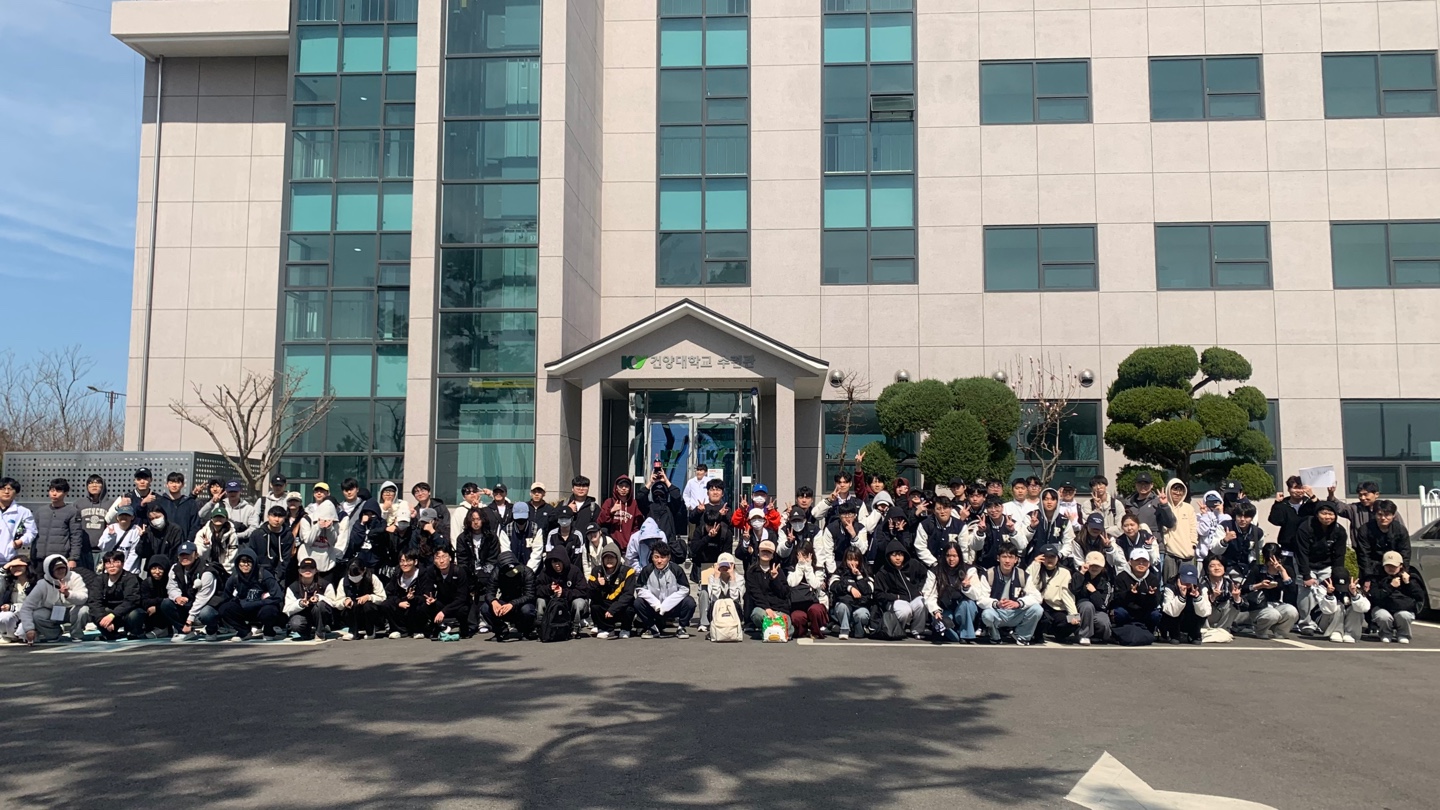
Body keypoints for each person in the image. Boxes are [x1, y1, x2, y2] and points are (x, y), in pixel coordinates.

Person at [1293, 501, 1348, 635]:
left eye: (1331, 514)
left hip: (1326, 565)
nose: (1327, 517)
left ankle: (1323, 622)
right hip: (1306, 563)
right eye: (1324, 513)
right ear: (1317, 514)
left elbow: (1339, 555)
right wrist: (1306, 575)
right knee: (1306, 592)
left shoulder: (1339, 531)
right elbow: (1301, 553)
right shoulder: (1305, 527)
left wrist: (1337, 574)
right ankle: (1306, 624)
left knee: (1327, 592)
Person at [970, 542, 1042, 645]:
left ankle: (1022, 636)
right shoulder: (989, 574)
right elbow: (981, 599)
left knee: (1037, 609)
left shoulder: (1023, 575)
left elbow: (1037, 597)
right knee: (987, 614)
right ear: (998, 558)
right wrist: (996, 603)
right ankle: (994, 635)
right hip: (997, 612)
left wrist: (1019, 603)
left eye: (1011, 557)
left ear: (1016, 559)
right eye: (1004, 557)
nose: (1007, 561)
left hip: (1016, 612)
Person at [216, 548, 283, 640]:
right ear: (238, 563)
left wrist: (257, 603)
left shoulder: (264, 575)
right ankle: (244, 631)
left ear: (254, 562)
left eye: (249, 562)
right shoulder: (235, 577)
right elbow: (226, 596)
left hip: (261, 608)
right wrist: (236, 601)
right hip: (244, 609)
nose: (246, 565)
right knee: (224, 608)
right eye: (243, 561)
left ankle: (269, 631)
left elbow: (278, 597)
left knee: (270, 610)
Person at [18, 555, 89, 644]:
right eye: (57, 569)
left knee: (83, 610)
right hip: (51, 611)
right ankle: (53, 635)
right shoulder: (42, 584)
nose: (61, 571)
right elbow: (26, 607)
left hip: (71, 610)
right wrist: (29, 629)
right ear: (49, 570)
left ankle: (76, 634)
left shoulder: (75, 577)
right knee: (37, 615)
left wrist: (68, 594)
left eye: (62, 568)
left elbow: (83, 598)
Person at [873, 539, 934, 639]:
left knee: (922, 602)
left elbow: (926, 576)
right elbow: (878, 594)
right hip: (896, 602)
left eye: (900, 555)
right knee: (905, 610)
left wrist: (921, 589)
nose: (898, 558)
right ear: (888, 556)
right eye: (894, 555)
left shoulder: (913, 564)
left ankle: (917, 630)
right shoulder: (883, 572)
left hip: (913, 598)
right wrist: (896, 597)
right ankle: (899, 629)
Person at [163, 542, 224, 640]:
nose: (184, 557)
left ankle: (212, 630)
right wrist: (177, 597)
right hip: (189, 601)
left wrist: (189, 620)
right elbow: (171, 587)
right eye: (182, 555)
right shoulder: (175, 568)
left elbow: (202, 598)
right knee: (166, 603)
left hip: (207, 603)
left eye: (188, 554)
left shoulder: (207, 572)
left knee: (206, 613)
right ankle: (183, 631)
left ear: (196, 555)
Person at [634, 542, 695, 638]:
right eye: (656, 557)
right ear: (652, 557)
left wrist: (667, 604)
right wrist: (656, 604)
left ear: (668, 557)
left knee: (690, 602)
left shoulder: (676, 569)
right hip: (654, 608)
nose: (659, 561)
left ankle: (681, 628)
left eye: (662, 557)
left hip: (672, 608)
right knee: (638, 602)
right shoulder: (647, 570)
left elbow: (685, 589)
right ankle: (651, 628)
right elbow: (640, 589)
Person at [1240, 544, 1300, 640]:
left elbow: (1292, 590)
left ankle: (1280, 631)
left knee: (1292, 611)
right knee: (1272, 614)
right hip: (1259, 605)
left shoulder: (1287, 570)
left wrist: (1283, 572)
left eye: (1276, 559)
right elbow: (1244, 589)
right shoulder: (1257, 569)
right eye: (1269, 559)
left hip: (1277, 603)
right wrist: (1260, 585)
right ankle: (1260, 630)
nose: (1273, 562)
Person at [925, 543, 978, 643]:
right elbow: (929, 595)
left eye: (954, 556)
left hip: (961, 611)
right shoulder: (934, 571)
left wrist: (967, 588)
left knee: (968, 604)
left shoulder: (969, 570)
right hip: (944, 610)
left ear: (959, 556)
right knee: (954, 637)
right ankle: (954, 633)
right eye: (948, 555)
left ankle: (967, 635)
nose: (951, 559)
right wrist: (935, 611)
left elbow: (977, 595)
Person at [84, 550, 141, 641]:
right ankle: (109, 634)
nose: (112, 566)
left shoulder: (130, 578)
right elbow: (94, 601)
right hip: (108, 612)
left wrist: (113, 615)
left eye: (115, 562)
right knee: (95, 612)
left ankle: (133, 632)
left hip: (125, 612)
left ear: (122, 563)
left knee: (135, 614)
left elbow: (132, 600)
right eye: (108, 563)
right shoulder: (99, 579)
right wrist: (101, 618)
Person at [1028, 544, 1080, 644]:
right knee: (1041, 616)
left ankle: (1060, 635)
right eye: (1046, 557)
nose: (1049, 559)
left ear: (1057, 558)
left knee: (1072, 622)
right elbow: (1029, 585)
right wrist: (1035, 564)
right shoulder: (1036, 569)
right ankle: (1037, 635)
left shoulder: (1064, 572)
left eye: (1052, 556)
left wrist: (1074, 615)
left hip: (1057, 608)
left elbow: (1067, 595)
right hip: (1040, 606)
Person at [536, 546, 590, 640]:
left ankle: (575, 627)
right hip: (551, 605)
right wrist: (549, 589)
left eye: (559, 562)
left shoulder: (574, 571)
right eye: (554, 562)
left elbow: (584, 590)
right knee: (540, 601)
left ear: (564, 561)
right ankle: (541, 628)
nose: (557, 565)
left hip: (569, 603)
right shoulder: (546, 572)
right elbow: (536, 589)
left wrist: (564, 593)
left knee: (579, 602)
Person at [1371, 550, 1424, 644]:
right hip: (1383, 607)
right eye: (1388, 565)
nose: (1390, 568)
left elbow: (1419, 596)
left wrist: (1408, 583)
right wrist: (1390, 586)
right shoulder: (1377, 578)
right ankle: (1385, 634)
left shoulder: (1411, 577)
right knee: (1383, 616)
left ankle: (1403, 634)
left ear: (1400, 565)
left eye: (1394, 566)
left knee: (1403, 615)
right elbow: (1375, 596)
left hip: (1404, 608)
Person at [482, 552, 537, 641]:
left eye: (513, 568)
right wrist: (493, 601)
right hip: (505, 602)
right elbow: (489, 593)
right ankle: (501, 630)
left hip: (522, 604)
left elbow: (530, 595)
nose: (511, 571)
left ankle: (526, 631)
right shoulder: (496, 572)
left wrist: (512, 604)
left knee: (527, 610)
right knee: (485, 608)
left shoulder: (527, 572)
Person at [329, 555, 387, 639]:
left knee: (368, 606)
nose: (355, 578)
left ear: (364, 570)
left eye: (357, 574)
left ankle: (370, 631)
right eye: (351, 575)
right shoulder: (343, 581)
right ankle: (353, 632)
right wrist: (344, 601)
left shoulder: (372, 578)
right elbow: (337, 603)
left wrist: (369, 597)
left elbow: (383, 598)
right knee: (350, 607)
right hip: (353, 613)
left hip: (370, 612)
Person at [589, 541, 636, 639]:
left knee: (630, 606)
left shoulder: (628, 571)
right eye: (606, 557)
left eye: (612, 557)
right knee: (595, 606)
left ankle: (625, 628)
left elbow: (628, 595)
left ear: (617, 558)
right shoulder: (596, 571)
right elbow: (589, 593)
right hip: (605, 605)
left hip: (619, 606)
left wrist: (613, 609)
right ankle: (606, 629)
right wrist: (598, 585)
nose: (609, 560)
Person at [1355, 500, 1409, 584]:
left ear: (1393, 515)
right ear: (1375, 514)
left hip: (1394, 568)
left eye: (1387, 515)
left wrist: (1403, 571)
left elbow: (1405, 552)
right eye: (1380, 514)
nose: (1383, 518)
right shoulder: (1365, 530)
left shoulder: (1400, 530)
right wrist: (1368, 578)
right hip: (1373, 569)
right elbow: (1364, 555)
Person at [33, 478, 83, 567]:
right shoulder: (41, 511)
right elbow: (34, 535)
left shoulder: (72, 512)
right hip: (39, 559)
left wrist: (73, 558)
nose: (54, 493)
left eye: (58, 491)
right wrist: (32, 555)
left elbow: (76, 536)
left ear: (66, 493)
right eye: (52, 490)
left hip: (60, 559)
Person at [1111, 547, 1163, 632]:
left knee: (1156, 615)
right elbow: (1117, 599)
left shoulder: (1153, 579)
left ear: (1148, 564)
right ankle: (1121, 631)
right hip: (1127, 610)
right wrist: (1130, 594)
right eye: (1138, 560)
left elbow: (1156, 603)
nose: (1141, 563)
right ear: (1130, 562)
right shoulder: (1121, 577)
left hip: (1145, 611)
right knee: (1119, 612)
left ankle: (1149, 632)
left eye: (1144, 561)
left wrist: (1151, 596)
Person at [828, 547, 874, 640]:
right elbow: (833, 586)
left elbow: (868, 590)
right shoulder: (840, 571)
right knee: (842, 607)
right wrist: (849, 588)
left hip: (860, 606)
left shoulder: (866, 572)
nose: (853, 563)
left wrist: (859, 576)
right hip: (845, 605)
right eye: (850, 559)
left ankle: (859, 630)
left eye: (856, 560)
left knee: (862, 614)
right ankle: (844, 629)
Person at [383, 551, 432, 639]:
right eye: (402, 561)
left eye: (408, 560)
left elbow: (426, 596)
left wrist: (413, 598)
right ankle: (399, 630)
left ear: (415, 562)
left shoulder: (423, 575)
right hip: (402, 605)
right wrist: (398, 602)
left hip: (415, 606)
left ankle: (419, 629)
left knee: (423, 606)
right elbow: (389, 593)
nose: (405, 564)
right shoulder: (397, 575)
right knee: (386, 604)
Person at [745, 539, 791, 633]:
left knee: (788, 627)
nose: (766, 553)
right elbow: (755, 593)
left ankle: (770, 630)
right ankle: (773, 630)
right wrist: (767, 608)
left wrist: (775, 579)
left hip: (779, 610)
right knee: (757, 615)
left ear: (772, 555)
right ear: (758, 552)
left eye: (769, 552)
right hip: (763, 610)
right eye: (763, 551)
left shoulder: (778, 570)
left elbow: (784, 593)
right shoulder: (751, 572)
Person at [285, 557, 336, 640]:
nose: (307, 570)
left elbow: (333, 603)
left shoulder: (326, 584)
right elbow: (287, 609)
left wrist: (319, 597)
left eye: (311, 568)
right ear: (299, 571)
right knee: (295, 623)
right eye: (304, 568)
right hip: (303, 615)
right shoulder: (292, 587)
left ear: (316, 570)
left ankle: (320, 632)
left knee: (320, 605)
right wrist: (300, 604)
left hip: (320, 614)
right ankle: (307, 632)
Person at [426, 545, 471, 640]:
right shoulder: (431, 571)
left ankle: (464, 628)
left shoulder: (459, 571)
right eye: (438, 558)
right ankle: (435, 628)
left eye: (444, 557)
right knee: (427, 605)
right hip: (442, 600)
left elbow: (462, 598)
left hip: (459, 602)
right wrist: (429, 599)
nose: (441, 561)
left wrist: (444, 611)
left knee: (463, 610)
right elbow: (428, 589)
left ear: (450, 558)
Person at [1160, 562, 1210, 645]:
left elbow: (1205, 612)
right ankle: (1174, 635)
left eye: (1191, 580)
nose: (1188, 583)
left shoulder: (1202, 589)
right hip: (1175, 618)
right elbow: (1170, 611)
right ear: (1179, 577)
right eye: (1185, 579)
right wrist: (1181, 596)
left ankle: (1194, 635)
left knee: (1198, 611)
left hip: (1192, 618)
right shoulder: (1170, 587)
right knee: (1169, 615)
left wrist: (1197, 597)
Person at [785, 545, 829, 640]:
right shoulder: (793, 568)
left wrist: (808, 568)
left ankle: (816, 631)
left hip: (814, 601)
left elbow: (815, 584)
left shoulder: (818, 569)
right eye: (799, 556)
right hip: (798, 603)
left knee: (815, 611)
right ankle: (803, 632)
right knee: (797, 617)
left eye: (804, 556)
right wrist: (800, 567)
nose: (802, 559)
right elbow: (792, 583)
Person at [1021, 488, 1074, 566]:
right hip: (1033, 560)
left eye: (1052, 499)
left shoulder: (1064, 521)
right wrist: (1032, 527)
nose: (1049, 502)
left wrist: (1059, 555)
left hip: (1055, 562)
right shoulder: (1031, 516)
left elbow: (1069, 542)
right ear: (1041, 501)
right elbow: (1023, 539)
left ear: (1057, 501)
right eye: (1046, 499)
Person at [816, 500, 869, 577]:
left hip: (857, 564)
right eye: (844, 514)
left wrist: (854, 535)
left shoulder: (861, 528)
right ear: (840, 516)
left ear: (855, 516)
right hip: (838, 564)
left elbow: (862, 550)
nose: (847, 517)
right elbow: (828, 553)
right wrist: (833, 572)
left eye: (850, 514)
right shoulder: (831, 529)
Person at [1267, 475, 1317, 556]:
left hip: (1308, 548)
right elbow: (1275, 520)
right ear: (1289, 489)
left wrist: (1313, 497)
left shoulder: (1310, 504)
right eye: (1295, 488)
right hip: (1287, 549)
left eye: (1301, 488)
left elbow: (1321, 512)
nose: (1299, 491)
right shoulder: (1283, 504)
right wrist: (1277, 503)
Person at [199, 480, 259, 547]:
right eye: (230, 491)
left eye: (235, 491)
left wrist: (237, 535)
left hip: (241, 544)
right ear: (226, 492)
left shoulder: (249, 509)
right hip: (220, 544)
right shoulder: (219, 505)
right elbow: (201, 515)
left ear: (240, 491)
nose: (232, 493)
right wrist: (212, 502)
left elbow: (254, 528)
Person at [1159, 479, 1198, 581]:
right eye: (1175, 489)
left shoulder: (1188, 508)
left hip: (1187, 553)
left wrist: (1193, 544)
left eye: (1181, 490)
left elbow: (1193, 528)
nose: (1178, 493)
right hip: (1170, 554)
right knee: (1169, 583)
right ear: (1168, 490)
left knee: (1187, 583)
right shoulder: (1163, 506)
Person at [1210, 501, 1263, 575]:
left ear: (1252, 518)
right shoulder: (1225, 526)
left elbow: (1259, 552)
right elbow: (1214, 550)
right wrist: (1225, 540)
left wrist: (1259, 568)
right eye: (1239, 516)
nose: (1242, 519)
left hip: (1246, 569)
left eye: (1246, 517)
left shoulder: (1257, 532)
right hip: (1225, 568)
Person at [1073, 551, 1113, 645]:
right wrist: (1082, 573)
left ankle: (1098, 637)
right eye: (1092, 565)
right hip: (1079, 611)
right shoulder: (1078, 575)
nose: (1094, 568)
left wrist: (1094, 592)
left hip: (1097, 611)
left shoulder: (1106, 583)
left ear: (1102, 567)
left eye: (1097, 566)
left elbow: (1103, 606)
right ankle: (1084, 635)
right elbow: (1073, 590)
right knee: (1087, 606)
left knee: (1103, 622)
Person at [1318, 569, 1368, 644]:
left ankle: (1350, 633)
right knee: (1339, 605)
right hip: (1326, 621)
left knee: (1356, 608)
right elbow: (1326, 610)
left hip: (1348, 619)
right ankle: (1336, 631)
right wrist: (1329, 594)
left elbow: (1365, 608)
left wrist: (1354, 594)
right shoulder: (1324, 586)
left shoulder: (1354, 585)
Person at [1121, 472, 1174, 544]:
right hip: (1133, 544)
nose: (1143, 486)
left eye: (1146, 484)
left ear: (1152, 485)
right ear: (1136, 485)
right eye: (1140, 484)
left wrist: (1164, 505)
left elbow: (1170, 523)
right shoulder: (1128, 503)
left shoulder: (1158, 501)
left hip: (1155, 544)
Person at [915, 495, 967, 567]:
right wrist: (934, 563)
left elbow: (963, 549)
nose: (942, 512)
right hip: (931, 566)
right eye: (938, 509)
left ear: (951, 509)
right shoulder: (925, 525)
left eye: (945, 508)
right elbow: (920, 547)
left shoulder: (960, 526)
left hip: (954, 566)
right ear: (934, 511)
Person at [130, 554, 174, 639]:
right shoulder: (146, 583)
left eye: (160, 568)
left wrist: (157, 607)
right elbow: (144, 601)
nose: (157, 572)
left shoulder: (171, 581)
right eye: (154, 569)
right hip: (151, 613)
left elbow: (172, 600)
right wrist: (159, 601)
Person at [250, 506, 298, 583]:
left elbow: (286, 557)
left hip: (279, 575)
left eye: (280, 516)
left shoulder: (288, 535)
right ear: (268, 516)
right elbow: (252, 554)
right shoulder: (257, 534)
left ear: (285, 518)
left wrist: (278, 575)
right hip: (258, 574)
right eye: (274, 516)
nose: (277, 519)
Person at [969, 497, 1020, 570]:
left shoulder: (1012, 523)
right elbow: (975, 547)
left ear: (1002, 507)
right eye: (990, 507)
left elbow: (1021, 546)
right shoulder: (981, 523)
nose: (993, 510)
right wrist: (980, 532)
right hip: (984, 567)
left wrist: (1012, 531)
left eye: (996, 507)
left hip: (1008, 567)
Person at [1200, 555, 1246, 633]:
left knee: (1232, 603)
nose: (1217, 568)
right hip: (1206, 616)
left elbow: (1244, 606)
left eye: (1220, 565)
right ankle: (1205, 630)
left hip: (1220, 613)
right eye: (1212, 566)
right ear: (1207, 570)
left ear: (1224, 569)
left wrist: (1237, 598)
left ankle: (1223, 630)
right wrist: (1212, 597)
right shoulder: (1202, 584)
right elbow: (1199, 606)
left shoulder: (1230, 583)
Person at [701, 552, 744, 635]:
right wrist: (716, 579)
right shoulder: (712, 577)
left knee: (735, 604)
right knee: (712, 603)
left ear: (733, 566)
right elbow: (714, 598)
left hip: (733, 611)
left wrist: (732, 579)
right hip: (717, 610)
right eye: (722, 566)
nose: (724, 568)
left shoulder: (739, 578)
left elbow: (735, 598)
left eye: (727, 566)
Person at [599, 474, 643, 551]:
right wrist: (611, 511)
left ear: (630, 488)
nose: (624, 488)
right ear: (616, 488)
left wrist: (632, 538)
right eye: (621, 486)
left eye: (626, 486)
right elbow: (600, 521)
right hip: (611, 545)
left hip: (628, 546)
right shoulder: (609, 502)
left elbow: (637, 525)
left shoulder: (633, 504)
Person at [153, 472, 201, 540]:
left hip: (184, 542)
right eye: (171, 482)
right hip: (164, 541)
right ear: (167, 485)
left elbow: (195, 525)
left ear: (183, 484)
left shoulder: (190, 503)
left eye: (177, 482)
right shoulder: (160, 502)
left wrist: (189, 540)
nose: (174, 485)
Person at [75, 474, 110, 569]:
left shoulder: (110, 504)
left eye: (97, 483)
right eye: (90, 483)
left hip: (103, 551)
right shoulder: (79, 504)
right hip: (83, 550)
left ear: (103, 485)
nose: (94, 485)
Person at [95, 506, 144, 574]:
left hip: (130, 571)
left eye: (127, 515)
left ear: (132, 517)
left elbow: (134, 553)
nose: (124, 517)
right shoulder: (111, 528)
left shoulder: (136, 530)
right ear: (117, 517)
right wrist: (111, 537)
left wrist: (123, 570)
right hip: (111, 569)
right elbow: (103, 548)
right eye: (121, 515)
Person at [0, 477, 36, 568]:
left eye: (10, 489)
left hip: (9, 559)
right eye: (3, 488)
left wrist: (21, 541)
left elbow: (32, 531)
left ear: (16, 492)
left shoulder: (23, 512)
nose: (6, 492)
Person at [0, 558, 34, 642]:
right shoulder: (9, 582)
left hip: (31, 614)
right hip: (13, 614)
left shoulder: (35, 582)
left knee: (23, 634)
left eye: (19, 565)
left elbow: (37, 604)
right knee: (4, 616)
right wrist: (3, 569)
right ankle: (9, 635)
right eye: (13, 566)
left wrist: (13, 607)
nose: (16, 568)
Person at [196, 509, 240, 574]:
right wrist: (205, 546)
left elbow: (232, 556)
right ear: (211, 519)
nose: (218, 519)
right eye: (216, 517)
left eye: (221, 517)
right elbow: (199, 555)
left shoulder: (232, 535)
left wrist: (224, 572)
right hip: (205, 568)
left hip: (224, 570)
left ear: (226, 519)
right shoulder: (202, 533)